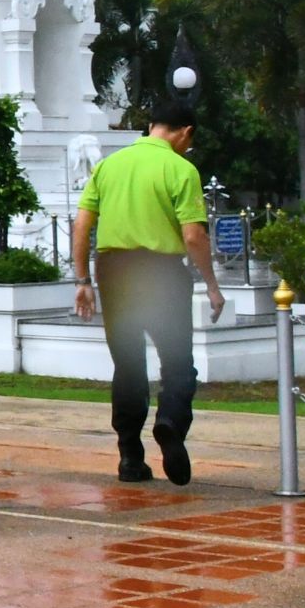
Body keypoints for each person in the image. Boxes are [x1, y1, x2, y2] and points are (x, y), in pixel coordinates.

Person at [70, 98, 223, 482]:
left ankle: (130, 457)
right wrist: (212, 285)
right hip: (160, 273)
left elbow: (81, 226)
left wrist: (83, 281)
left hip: (114, 271)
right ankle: (170, 421)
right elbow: (193, 236)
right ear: (186, 132)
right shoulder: (181, 168)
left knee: (128, 364)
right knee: (177, 363)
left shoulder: (109, 165)